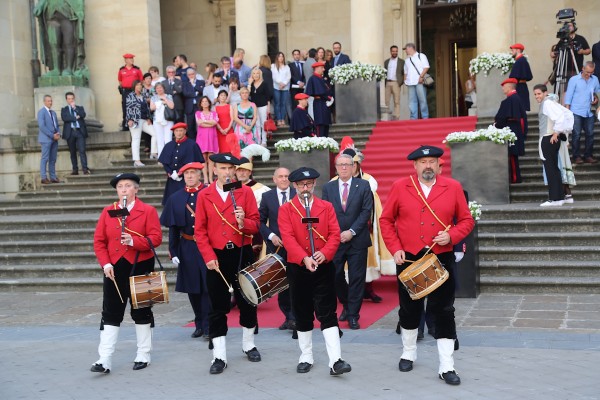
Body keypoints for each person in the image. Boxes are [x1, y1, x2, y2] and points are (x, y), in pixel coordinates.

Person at [379, 145, 474, 386]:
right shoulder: (401, 186)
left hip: (441, 257)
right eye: (423, 162)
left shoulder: (452, 187)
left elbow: (466, 220)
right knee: (409, 309)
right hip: (409, 258)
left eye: (432, 161)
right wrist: (395, 248)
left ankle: (446, 365)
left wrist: (451, 236)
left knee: (444, 311)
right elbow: (386, 220)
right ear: (415, 165)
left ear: (439, 164)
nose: (428, 166)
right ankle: (408, 353)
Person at [278, 167, 351, 375]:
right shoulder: (286, 209)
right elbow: (288, 237)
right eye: (301, 185)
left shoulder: (326, 207)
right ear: (294, 186)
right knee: (302, 312)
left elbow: (335, 235)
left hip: (323, 266)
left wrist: (325, 253)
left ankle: (336, 360)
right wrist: (304, 257)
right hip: (298, 267)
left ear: (314, 185)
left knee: (328, 312)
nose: (305, 188)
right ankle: (306, 356)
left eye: (309, 184)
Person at [193, 153, 261, 375]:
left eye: (230, 168)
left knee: (248, 300)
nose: (227, 172)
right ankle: (219, 355)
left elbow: (255, 225)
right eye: (222, 168)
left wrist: (244, 222)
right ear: (214, 170)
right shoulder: (205, 195)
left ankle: (249, 344)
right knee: (217, 306)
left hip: (242, 253)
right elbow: (200, 231)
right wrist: (208, 256)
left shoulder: (245, 192)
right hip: (217, 256)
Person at [91, 172, 162, 373]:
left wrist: (133, 241)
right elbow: (99, 241)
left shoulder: (147, 210)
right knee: (111, 312)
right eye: (120, 186)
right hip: (114, 268)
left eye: (128, 185)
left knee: (142, 311)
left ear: (136, 189)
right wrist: (105, 264)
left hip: (141, 265)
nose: (123, 189)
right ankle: (104, 358)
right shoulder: (108, 211)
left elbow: (156, 238)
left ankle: (143, 354)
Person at [322, 154, 374, 330]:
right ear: (335, 167)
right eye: (340, 165)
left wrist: (351, 232)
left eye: (347, 165)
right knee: (335, 275)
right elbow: (326, 214)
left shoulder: (364, 185)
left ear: (353, 167)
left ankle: (353, 315)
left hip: (357, 240)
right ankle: (346, 303)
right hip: (335, 240)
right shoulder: (328, 188)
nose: (344, 168)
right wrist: (338, 234)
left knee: (357, 278)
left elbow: (366, 211)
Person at [160, 162, 211, 339]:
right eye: (187, 173)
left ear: (200, 175)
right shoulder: (175, 198)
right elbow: (173, 228)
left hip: (207, 246)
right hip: (187, 246)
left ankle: (208, 325)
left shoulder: (209, 194)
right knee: (192, 288)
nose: (190, 176)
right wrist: (173, 251)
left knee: (207, 287)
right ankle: (198, 322)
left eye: (193, 173)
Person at [259, 167, 296, 331]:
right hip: (277, 248)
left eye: (286, 176)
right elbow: (260, 222)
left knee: (296, 282)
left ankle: (295, 317)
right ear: (274, 179)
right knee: (281, 284)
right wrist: (271, 236)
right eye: (280, 176)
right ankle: (288, 316)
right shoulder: (267, 197)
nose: (283, 179)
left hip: (296, 247)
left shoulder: (297, 194)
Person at [534, 84, 574, 206]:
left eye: (539, 93)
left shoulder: (547, 103)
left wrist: (557, 132)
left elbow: (562, 116)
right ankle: (558, 197)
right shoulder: (549, 103)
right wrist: (561, 131)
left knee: (551, 169)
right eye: (535, 94)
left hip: (548, 138)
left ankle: (555, 198)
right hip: (550, 138)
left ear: (545, 93)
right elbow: (568, 114)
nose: (537, 96)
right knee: (554, 169)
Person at [33, 0, 85, 77]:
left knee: (68, 42)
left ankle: (69, 68)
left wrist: (79, 11)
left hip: (67, 15)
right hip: (51, 15)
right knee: (53, 43)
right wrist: (40, 4)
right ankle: (56, 69)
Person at [158, 122, 204, 205]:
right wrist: (171, 173)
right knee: (171, 202)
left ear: (185, 131)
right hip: (172, 179)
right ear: (174, 132)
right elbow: (165, 162)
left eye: (181, 131)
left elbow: (193, 162)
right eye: (176, 131)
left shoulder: (192, 145)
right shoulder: (169, 145)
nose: (178, 133)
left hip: (187, 178)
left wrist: (179, 173)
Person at [564, 61, 600, 164]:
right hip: (576, 111)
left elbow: (598, 93)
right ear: (583, 69)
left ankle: (588, 155)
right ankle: (576, 156)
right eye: (587, 72)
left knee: (590, 134)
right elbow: (569, 96)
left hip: (589, 111)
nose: (589, 74)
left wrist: (596, 99)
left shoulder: (595, 79)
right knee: (576, 134)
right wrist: (567, 111)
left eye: (591, 72)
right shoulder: (574, 80)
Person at [495, 78, 528, 183]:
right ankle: (515, 177)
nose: (503, 89)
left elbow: (503, 118)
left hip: (512, 130)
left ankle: (515, 178)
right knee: (513, 157)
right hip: (516, 130)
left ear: (509, 87)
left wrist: (496, 124)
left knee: (512, 156)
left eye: (504, 86)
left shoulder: (510, 100)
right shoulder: (516, 98)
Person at [126, 80, 157, 167]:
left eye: (140, 85)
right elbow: (128, 108)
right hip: (135, 120)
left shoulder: (142, 96)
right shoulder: (130, 96)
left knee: (155, 133)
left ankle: (153, 152)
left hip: (144, 120)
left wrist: (148, 118)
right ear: (134, 86)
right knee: (136, 139)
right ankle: (136, 160)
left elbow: (146, 108)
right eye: (138, 85)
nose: (139, 87)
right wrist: (129, 119)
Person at [61, 91, 90, 176]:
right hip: (70, 132)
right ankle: (75, 169)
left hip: (79, 131)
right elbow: (65, 118)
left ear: (74, 99)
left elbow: (83, 115)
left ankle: (85, 168)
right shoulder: (64, 109)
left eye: (72, 99)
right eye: (69, 99)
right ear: (66, 100)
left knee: (82, 150)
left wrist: (75, 109)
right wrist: (75, 118)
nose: (71, 100)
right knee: (72, 152)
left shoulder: (79, 108)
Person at [38, 95, 61, 184]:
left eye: (51, 101)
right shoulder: (41, 112)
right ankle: (43, 177)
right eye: (48, 101)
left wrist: (58, 133)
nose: (50, 102)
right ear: (44, 102)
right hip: (46, 139)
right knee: (45, 158)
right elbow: (42, 126)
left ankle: (53, 177)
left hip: (55, 139)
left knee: (53, 159)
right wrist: (52, 135)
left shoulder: (53, 113)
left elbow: (56, 125)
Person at [196, 96, 220, 184]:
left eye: (206, 101)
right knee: (203, 158)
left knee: (211, 158)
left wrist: (205, 121)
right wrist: (210, 122)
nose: (205, 103)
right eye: (203, 101)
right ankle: (205, 178)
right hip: (202, 137)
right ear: (201, 104)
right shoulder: (198, 113)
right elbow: (199, 123)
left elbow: (215, 122)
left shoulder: (214, 113)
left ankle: (210, 178)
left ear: (209, 103)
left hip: (212, 137)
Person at [305, 62, 332, 137]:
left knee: (325, 125)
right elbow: (319, 92)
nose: (323, 69)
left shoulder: (321, 79)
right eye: (322, 68)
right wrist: (328, 97)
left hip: (325, 104)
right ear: (317, 68)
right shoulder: (313, 79)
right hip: (319, 104)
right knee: (320, 126)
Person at [403, 43, 430, 119]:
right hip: (410, 83)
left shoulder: (421, 56)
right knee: (412, 102)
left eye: (406, 49)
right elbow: (405, 71)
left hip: (419, 82)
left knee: (423, 100)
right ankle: (413, 118)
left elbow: (426, 67)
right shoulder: (407, 60)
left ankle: (425, 117)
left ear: (410, 48)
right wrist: (405, 80)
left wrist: (421, 77)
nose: (405, 51)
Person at [118, 53, 144, 131]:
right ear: (126, 60)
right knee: (125, 106)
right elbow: (120, 80)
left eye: (132, 58)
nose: (132, 60)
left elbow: (141, 80)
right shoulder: (122, 70)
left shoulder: (137, 69)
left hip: (134, 90)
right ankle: (125, 124)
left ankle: (137, 121)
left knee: (136, 105)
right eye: (130, 59)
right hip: (125, 91)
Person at [149, 82, 175, 157]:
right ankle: (161, 157)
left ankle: (169, 156)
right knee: (159, 139)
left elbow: (172, 106)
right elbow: (152, 108)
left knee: (168, 139)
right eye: (157, 88)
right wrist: (160, 103)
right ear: (155, 90)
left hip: (168, 119)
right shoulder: (153, 97)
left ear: (163, 88)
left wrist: (165, 100)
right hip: (157, 120)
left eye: (160, 88)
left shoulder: (169, 96)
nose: (159, 89)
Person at [509, 43, 533, 111]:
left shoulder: (520, 61)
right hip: (520, 87)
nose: (511, 52)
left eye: (513, 50)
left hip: (519, 88)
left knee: (519, 110)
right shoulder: (521, 60)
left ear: (518, 50)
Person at [248, 68, 270, 146]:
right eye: (254, 73)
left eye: (257, 73)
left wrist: (268, 107)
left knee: (263, 124)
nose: (256, 75)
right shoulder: (251, 84)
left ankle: (264, 141)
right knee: (256, 124)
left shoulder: (264, 83)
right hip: (254, 107)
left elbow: (268, 97)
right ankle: (258, 140)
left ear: (260, 74)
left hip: (263, 106)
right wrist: (249, 84)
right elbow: (248, 94)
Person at [182, 68, 206, 140]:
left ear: (195, 74)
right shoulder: (185, 83)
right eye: (189, 75)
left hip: (199, 106)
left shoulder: (201, 82)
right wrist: (195, 93)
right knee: (190, 126)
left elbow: (202, 91)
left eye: (192, 74)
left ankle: (201, 141)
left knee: (201, 124)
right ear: (187, 75)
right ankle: (192, 142)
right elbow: (185, 94)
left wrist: (194, 85)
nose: (191, 76)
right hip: (190, 107)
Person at [384, 45, 405, 120]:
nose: (395, 52)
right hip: (387, 83)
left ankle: (397, 118)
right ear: (390, 52)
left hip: (396, 83)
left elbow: (404, 73)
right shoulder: (386, 62)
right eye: (393, 51)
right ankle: (385, 118)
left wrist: (400, 82)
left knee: (396, 101)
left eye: (396, 51)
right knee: (386, 101)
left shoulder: (402, 62)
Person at [271, 52, 292, 127]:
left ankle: (282, 119)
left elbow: (289, 76)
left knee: (283, 104)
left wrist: (284, 83)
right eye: (279, 56)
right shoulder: (273, 66)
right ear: (277, 57)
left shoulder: (286, 67)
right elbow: (273, 76)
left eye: (282, 56)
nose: (281, 58)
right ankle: (278, 119)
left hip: (285, 88)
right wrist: (279, 83)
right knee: (277, 104)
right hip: (276, 87)